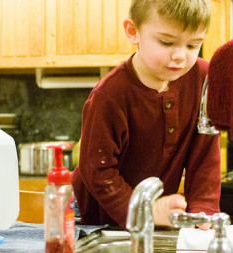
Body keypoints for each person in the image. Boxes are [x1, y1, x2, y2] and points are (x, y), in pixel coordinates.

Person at [71, 0, 221, 230]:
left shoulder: (203, 78)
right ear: (133, 32)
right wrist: (142, 211)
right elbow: (96, 170)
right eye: (167, 42)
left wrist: (203, 207)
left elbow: (205, 154)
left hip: (151, 213)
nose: (181, 56)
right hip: (96, 216)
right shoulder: (109, 95)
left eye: (193, 45)